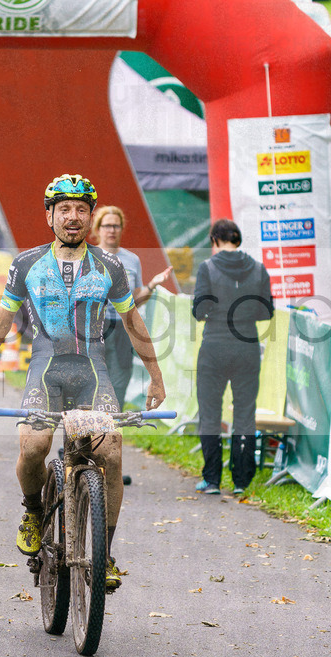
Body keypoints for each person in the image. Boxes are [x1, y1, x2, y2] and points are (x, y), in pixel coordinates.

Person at [0, 174, 167, 591]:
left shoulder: (111, 267)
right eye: (64, 209)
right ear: (49, 215)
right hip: (46, 368)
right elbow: (2, 320)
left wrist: (156, 377)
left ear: (91, 216)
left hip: (93, 371)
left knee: (111, 449)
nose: (73, 217)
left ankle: (104, 555)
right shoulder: (27, 263)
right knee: (33, 445)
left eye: (82, 209)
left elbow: (132, 321)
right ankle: (34, 510)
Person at [191, 219, 273, 496]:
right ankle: (241, 481)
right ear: (237, 240)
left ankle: (212, 479)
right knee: (245, 414)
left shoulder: (207, 268)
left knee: (210, 414)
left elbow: (199, 310)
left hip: (214, 347)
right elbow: (267, 311)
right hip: (247, 347)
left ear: (215, 240)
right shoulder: (259, 269)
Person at [90, 205, 172, 407]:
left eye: (116, 226)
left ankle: (112, 422)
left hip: (122, 327)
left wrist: (152, 285)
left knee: (119, 379)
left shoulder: (131, 259)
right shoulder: (87, 256)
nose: (112, 230)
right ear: (98, 228)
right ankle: (87, 426)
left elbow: (135, 299)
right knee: (92, 378)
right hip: (93, 326)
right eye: (107, 225)